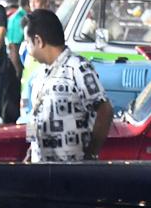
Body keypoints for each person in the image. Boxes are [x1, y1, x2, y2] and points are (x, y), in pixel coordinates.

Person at [23, 9, 112, 163]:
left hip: (71, 170)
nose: (27, 49)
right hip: (41, 168)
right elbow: (34, 115)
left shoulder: (78, 68)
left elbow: (105, 110)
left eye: (27, 42)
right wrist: (31, 150)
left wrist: (91, 155)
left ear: (38, 41)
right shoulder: (40, 74)